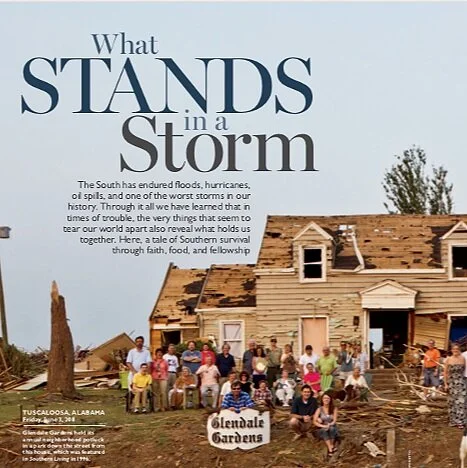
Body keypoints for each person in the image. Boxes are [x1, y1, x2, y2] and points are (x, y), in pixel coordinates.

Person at [444, 344, 466, 428]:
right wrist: (446, 384)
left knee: (461, 401)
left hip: (461, 382)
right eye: (454, 349)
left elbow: (464, 370)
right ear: (451, 350)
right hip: (451, 382)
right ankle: (453, 421)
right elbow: (445, 373)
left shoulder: (463, 358)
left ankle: (460, 421)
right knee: (452, 402)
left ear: (459, 350)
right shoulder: (448, 359)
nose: (455, 350)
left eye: (457, 349)